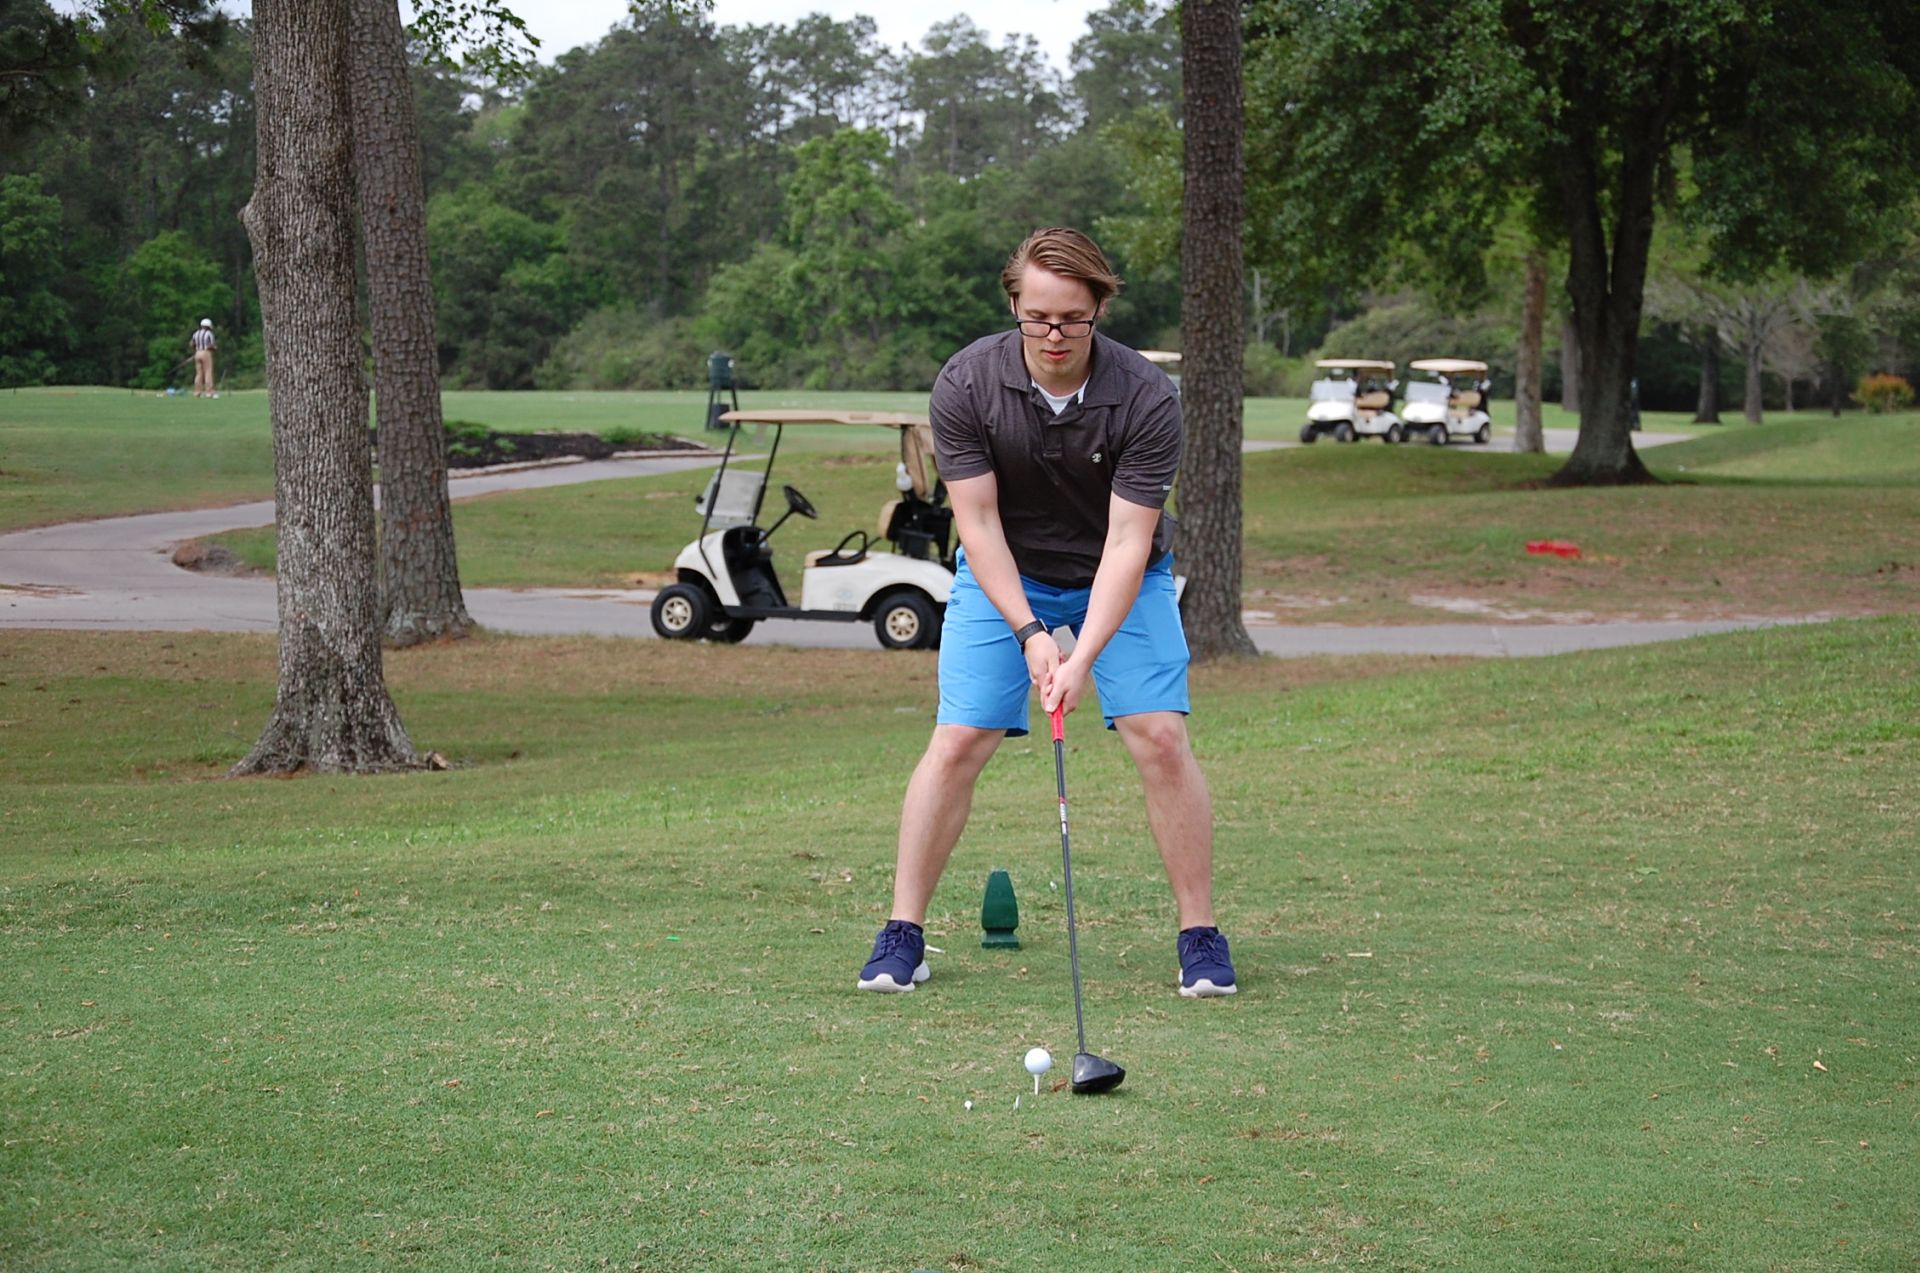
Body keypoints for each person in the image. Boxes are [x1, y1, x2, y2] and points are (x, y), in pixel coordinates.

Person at [856, 226, 1236, 999]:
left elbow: (1130, 541)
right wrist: (1031, 632)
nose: (1054, 334)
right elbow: (979, 526)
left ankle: (1200, 935)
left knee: (1161, 737)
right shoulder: (966, 383)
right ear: (1014, 305)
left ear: (1100, 308)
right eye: (1037, 316)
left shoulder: (1145, 396)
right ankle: (903, 932)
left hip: (1117, 575)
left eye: (1073, 317)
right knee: (959, 737)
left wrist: (1082, 654)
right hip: (1006, 577)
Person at [190, 319, 218, 398]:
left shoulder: (196, 333)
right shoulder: (209, 333)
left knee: (199, 373)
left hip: (197, 352)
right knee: (208, 372)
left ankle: (197, 392)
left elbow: (192, 343)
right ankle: (209, 392)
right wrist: (215, 348)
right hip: (206, 353)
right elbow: (211, 345)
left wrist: (197, 349)